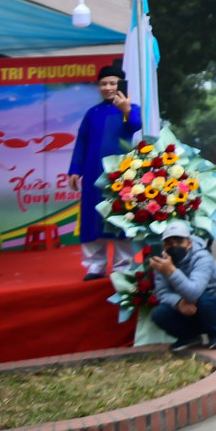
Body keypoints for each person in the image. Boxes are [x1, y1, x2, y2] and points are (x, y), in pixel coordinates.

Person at [67, 64, 140, 280]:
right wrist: (74, 170)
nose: (108, 87)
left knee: (119, 216)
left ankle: (122, 266)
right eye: (103, 83)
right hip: (92, 173)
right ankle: (95, 266)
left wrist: (125, 109)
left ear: (120, 85)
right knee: (92, 218)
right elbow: (81, 142)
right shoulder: (92, 113)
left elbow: (135, 125)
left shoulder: (130, 108)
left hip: (120, 175)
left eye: (112, 83)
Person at [150, 220, 216, 351]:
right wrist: (178, 303)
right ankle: (188, 337)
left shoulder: (202, 257)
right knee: (159, 314)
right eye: (170, 244)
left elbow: (194, 292)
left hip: (214, 308)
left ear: (189, 243)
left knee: (205, 301)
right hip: (185, 308)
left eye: (179, 242)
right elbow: (162, 293)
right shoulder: (163, 262)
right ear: (164, 246)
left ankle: (215, 334)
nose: (175, 246)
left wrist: (171, 271)